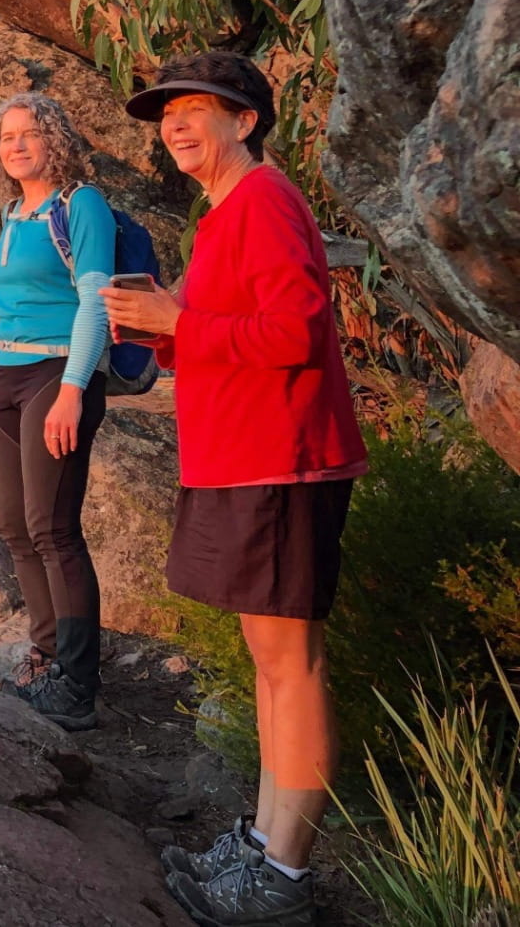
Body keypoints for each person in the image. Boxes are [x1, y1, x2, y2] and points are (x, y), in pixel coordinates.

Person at [103, 51, 366, 927]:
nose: (174, 124)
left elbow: (294, 330)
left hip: (283, 461)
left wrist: (178, 321)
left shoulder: (265, 201)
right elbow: (228, 332)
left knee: (293, 666)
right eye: (165, 112)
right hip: (239, 460)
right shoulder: (220, 217)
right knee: (268, 662)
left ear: (244, 121)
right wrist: (167, 329)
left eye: (194, 108)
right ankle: (263, 839)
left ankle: (284, 880)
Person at [0, 91, 117, 732]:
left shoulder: (80, 205)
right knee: (12, 525)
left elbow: (95, 302)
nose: (16, 144)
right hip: (3, 376)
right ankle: (46, 658)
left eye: (29, 133)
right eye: (7, 136)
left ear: (54, 139)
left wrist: (72, 387)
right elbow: (14, 289)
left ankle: (79, 686)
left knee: (54, 528)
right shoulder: (12, 212)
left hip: (55, 375)